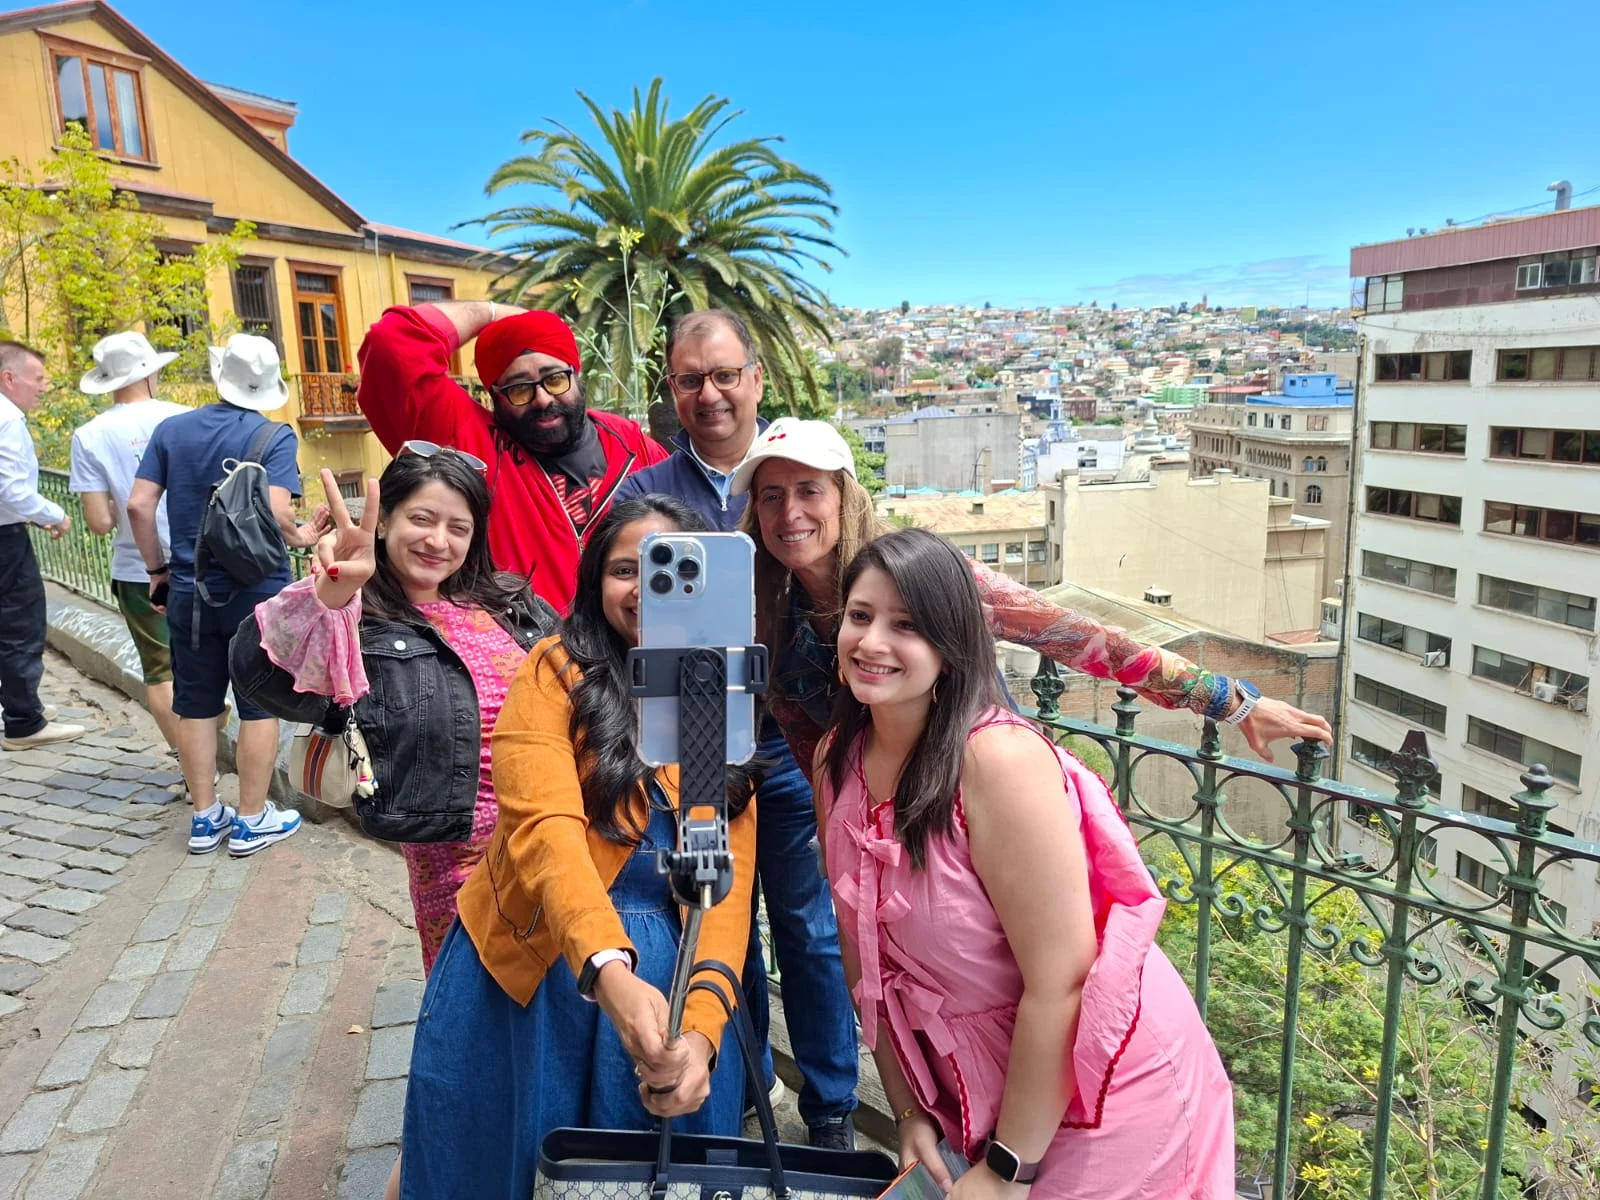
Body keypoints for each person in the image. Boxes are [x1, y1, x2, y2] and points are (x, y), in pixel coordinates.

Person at [817, 528, 1234, 1199]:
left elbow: (1063, 982)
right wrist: (909, 1108)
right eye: (860, 616)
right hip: (980, 1088)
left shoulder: (995, 762)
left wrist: (1009, 1167)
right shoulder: (839, 758)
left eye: (907, 625)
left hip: (1104, 1092)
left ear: (951, 645)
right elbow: (860, 948)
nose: (871, 642)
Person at [397, 496, 756, 1198]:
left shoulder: (718, 692)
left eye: (673, 569)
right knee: (494, 1164)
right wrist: (607, 970)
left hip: (672, 983)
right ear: (595, 581)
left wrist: (702, 1032)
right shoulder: (555, 671)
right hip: (540, 967)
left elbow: (724, 883)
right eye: (626, 569)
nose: (648, 589)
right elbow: (546, 830)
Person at [230, 448, 560, 1200]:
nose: (438, 540)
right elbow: (256, 672)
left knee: (544, 1021)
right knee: (476, 1026)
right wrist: (329, 594)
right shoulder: (358, 619)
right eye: (421, 519)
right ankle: (431, 1173)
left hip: (553, 842)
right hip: (459, 864)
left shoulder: (509, 602)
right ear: (385, 524)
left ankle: (510, 1158)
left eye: (457, 527)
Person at [730, 417, 1335, 785]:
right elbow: (812, 751)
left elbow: (1078, 636)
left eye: (808, 490)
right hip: (879, 827)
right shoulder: (767, 614)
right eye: (771, 496)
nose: (790, 513)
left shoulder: (926, 575)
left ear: (844, 497)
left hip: (977, 796)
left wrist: (1229, 702)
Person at [614, 311, 859, 1148]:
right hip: (695, 751)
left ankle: (831, 1108)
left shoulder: (798, 473)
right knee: (718, 923)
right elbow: (616, 603)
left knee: (811, 931)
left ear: (756, 378)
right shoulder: (645, 494)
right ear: (672, 391)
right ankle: (742, 1085)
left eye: (724, 375)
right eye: (690, 379)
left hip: (796, 750)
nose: (710, 393)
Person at [128, 334, 326, 856]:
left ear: (221, 377)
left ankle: (203, 817)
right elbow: (278, 513)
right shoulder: (274, 436)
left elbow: (138, 506)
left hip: (189, 591)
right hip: (256, 594)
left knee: (195, 704)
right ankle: (251, 820)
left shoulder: (171, 430)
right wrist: (304, 536)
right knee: (258, 706)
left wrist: (157, 570)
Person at [355, 300, 668, 609]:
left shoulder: (632, 446)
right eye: (519, 389)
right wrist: (492, 312)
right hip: (520, 639)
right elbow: (391, 343)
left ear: (576, 374)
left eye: (555, 379)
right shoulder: (469, 439)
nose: (542, 399)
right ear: (495, 396)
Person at [70, 331, 190, 752]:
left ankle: (195, 770)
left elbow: (100, 522)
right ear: (149, 373)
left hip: (138, 569)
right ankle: (210, 741)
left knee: (160, 672)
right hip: (200, 562)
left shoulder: (89, 435)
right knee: (207, 661)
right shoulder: (184, 418)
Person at [0, 339, 86, 751]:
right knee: (20, 623)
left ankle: (19, 704)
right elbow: (12, 490)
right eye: (37, 379)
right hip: (4, 540)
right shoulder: (8, 419)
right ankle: (23, 722)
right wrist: (54, 513)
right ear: (9, 378)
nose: (43, 387)